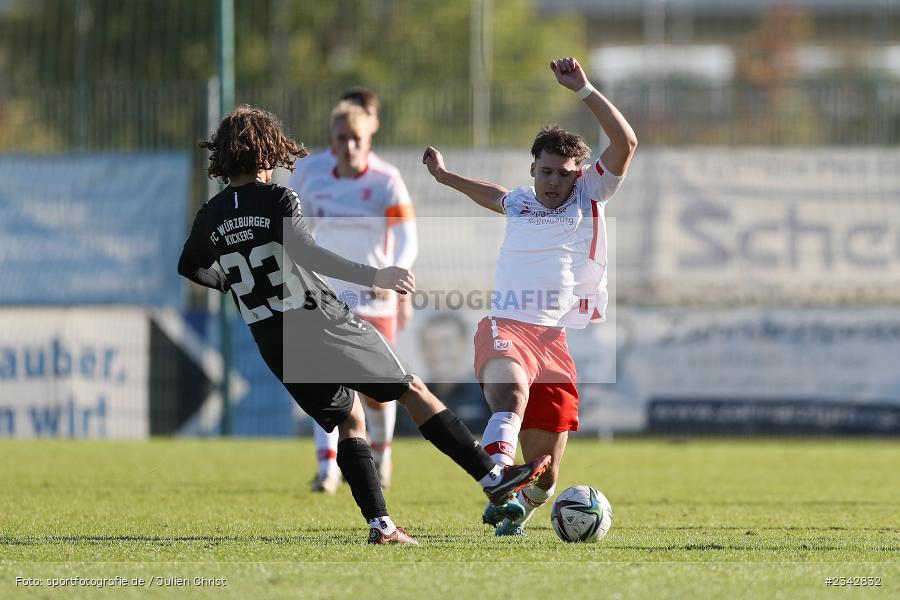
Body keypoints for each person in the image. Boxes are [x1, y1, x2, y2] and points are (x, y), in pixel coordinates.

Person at [179, 105, 550, 545]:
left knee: (351, 419)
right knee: (411, 390)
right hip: (320, 322)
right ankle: (492, 476)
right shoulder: (276, 199)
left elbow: (190, 266)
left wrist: (233, 284)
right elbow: (309, 255)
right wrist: (376, 276)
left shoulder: (211, 215)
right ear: (265, 151)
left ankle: (382, 526)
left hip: (274, 341)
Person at [422, 57, 637, 536]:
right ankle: (496, 479)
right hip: (505, 325)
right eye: (545, 171)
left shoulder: (589, 195)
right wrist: (446, 177)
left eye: (563, 173)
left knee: (546, 476)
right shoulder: (521, 200)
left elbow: (626, 143)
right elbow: (493, 194)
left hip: (552, 341)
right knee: (511, 393)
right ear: (533, 169)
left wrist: (584, 89)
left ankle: (514, 509)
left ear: (578, 175)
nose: (553, 181)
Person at [290, 90, 414, 492]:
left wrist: (396, 278)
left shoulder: (386, 180)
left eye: (355, 138)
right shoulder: (312, 176)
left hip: (373, 295)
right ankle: (328, 469)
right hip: (324, 294)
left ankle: (383, 454)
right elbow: (294, 231)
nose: (348, 145)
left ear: (369, 139)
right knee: (325, 381)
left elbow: (407, 237)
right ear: (332, 138)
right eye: (341, 138)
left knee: (379, 392)